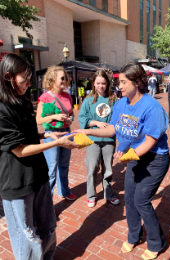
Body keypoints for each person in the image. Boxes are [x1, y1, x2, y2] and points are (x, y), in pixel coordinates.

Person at [75, 63, 170, 259]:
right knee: (130, 199)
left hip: (155, 159)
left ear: (137, 82)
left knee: (142, 200)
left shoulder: (152, 107)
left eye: (124, 82)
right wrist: (87, 131)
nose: (120, 86)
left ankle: (156, 242)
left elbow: (151, 141)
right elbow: (112, 130)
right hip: (134, 156)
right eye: (119, 82)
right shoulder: (120, 104)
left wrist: (126, 156)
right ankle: (134, 236)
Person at [0, 54, 79, 260]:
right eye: (23, 79)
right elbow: (19, 149)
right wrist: (56, 143)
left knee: (48, 228)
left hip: (39, 176)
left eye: (29, 78)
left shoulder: (22, 100)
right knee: (27, 237)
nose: (28, 83)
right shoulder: (2, 108)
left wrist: (47, 134)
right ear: (8, 77)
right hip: (18, 182)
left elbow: (26, 134)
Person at [78, 70, 120, 208]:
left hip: (108, 139)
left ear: (107, 83)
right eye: (98, 83)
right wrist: (96, 123)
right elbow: (82, 119)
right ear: (93, 83)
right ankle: (91, 195)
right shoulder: (88, 100)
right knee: (92, 167)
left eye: (103, 83)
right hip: (93, 139)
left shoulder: (113, 99)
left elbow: (117, 118)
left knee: (108, 168)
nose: (101, 86)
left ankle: (108, 194)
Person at [36, 66, 76, 200]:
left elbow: (71, 114)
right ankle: (47, 201)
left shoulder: (68, 96)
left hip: (66, 132)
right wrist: (54, 117)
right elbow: (38, 120)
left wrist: (70, 120)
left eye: (65, 78)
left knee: (64, 165)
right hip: (51, 134)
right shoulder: (45, 97)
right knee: (51, 168)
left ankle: (64, 190)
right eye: (62, 78)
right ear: (52, 79)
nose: (65, 80)